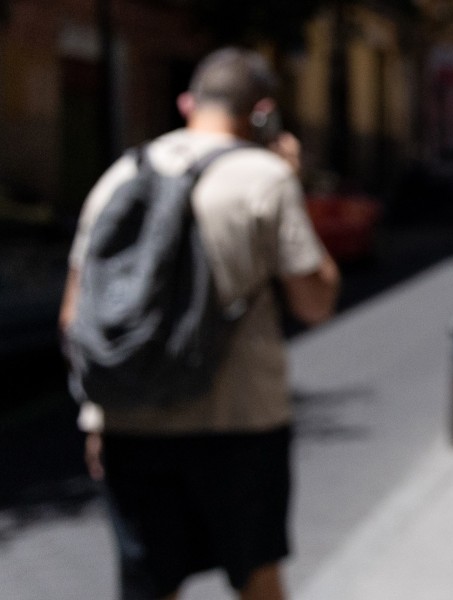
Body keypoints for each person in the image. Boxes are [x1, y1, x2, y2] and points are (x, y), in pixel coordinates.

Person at [59, 47, 340, 600]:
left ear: (187, 103)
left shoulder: (119, 175)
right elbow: (315, 302)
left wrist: (96, 414)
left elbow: (75, 317)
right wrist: (292, 180)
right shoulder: (264, 177)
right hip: (240, 424)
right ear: (263, 113)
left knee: (148, 583)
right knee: (257, 576)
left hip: (131, 422)